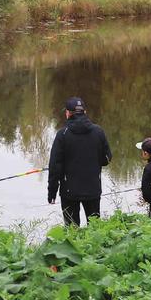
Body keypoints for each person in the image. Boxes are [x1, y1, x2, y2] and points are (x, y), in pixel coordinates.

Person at [48, 97, 112, 226]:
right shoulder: (98, 132)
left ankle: (74, 245)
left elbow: (55, 166)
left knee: (72, 228)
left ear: (68, 113)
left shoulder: (63, 134)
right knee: (95, 227)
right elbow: (107, 159)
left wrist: (52, 191)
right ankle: (95, 246)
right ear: (85, 112)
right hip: (92, 189)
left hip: (69, 191)